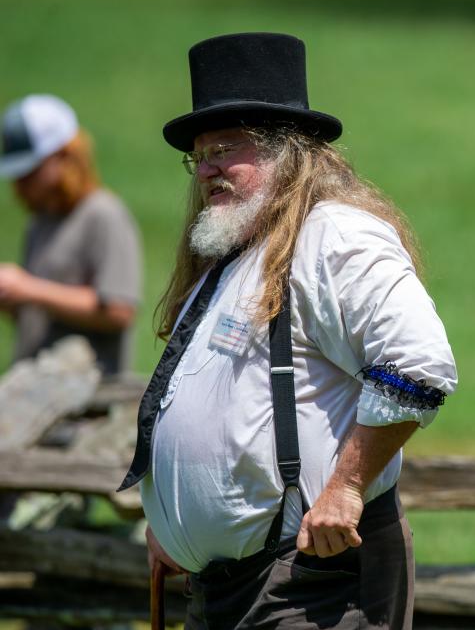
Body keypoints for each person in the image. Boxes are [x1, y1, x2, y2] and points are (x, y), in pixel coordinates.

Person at [118, 33, 457, 630]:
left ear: (287, 151)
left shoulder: (333, 236)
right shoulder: (232, 255)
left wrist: (347, 488)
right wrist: (176, 525)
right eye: (200, 156)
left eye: (226, 149)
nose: (208, 170)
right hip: (233, 587)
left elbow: (418, 364)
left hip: (311, 584)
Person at [0, 94, 142, 375]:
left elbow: (119, 310)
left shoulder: (103, 214)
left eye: (30, 171)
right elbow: (43, 314)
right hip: (37, 385)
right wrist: (13, 300)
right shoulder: (40, 221)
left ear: (65, 156)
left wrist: (28, 288)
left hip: (89, 401)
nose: (19, 184)